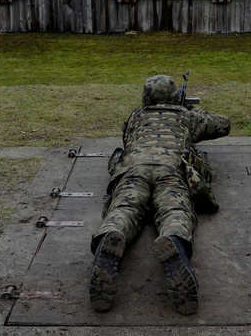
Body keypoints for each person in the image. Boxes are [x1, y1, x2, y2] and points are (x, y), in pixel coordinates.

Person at [89, 74, 230, 315]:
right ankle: (174, 239)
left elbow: (127, 136)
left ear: (146, 97)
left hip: (134, 166)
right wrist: (193, 111)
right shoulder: (186, 116)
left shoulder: (136, 116)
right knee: (174, 211)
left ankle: (112, 234)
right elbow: (224, 124)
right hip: (171, 168)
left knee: (124, 209)